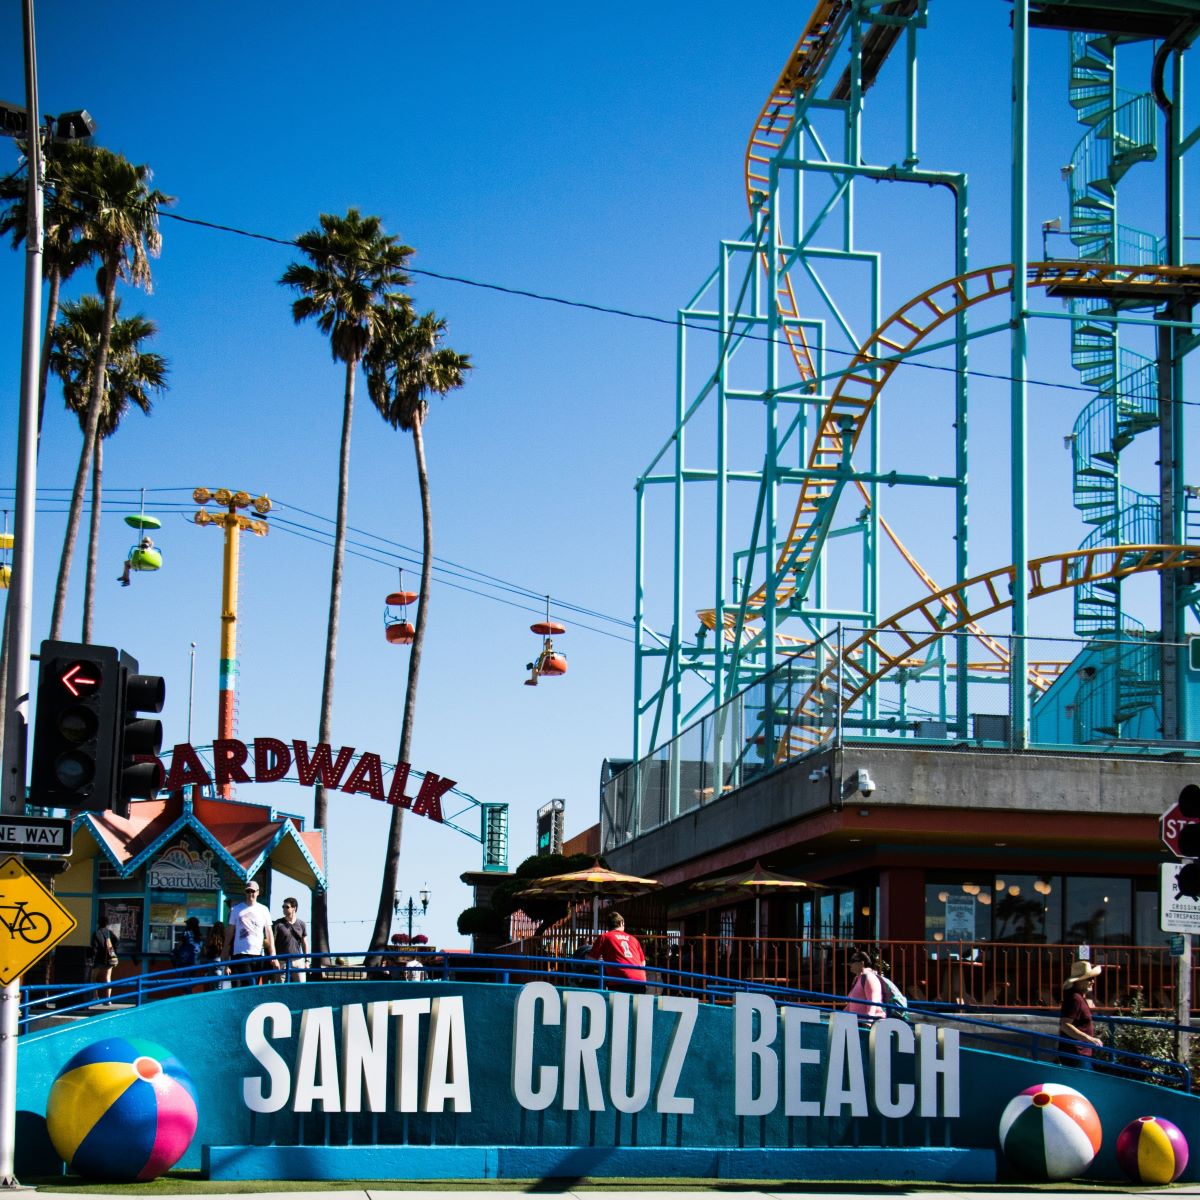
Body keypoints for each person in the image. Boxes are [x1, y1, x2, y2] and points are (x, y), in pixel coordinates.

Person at [222, 881, 278, 986]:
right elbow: (230, 931)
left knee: (254, 985)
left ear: (257, 892)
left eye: (252, 891)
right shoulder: (237, 909)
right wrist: (225, 950)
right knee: (250, 982)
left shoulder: (264, 910)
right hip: (241, 953)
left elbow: (269, 933)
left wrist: (273, 954)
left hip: (258, 953)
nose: (250, 894)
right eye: (248, 891)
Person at [1059, 959, 1104, 1068]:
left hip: (1079, 1053)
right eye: (1089, 978)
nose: (1092, 981)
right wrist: (1090, 1039)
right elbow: (1065, 1025)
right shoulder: (1075, 998)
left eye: (1093, 978)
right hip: (1076, 1054)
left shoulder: (1078, 997)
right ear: (1078, 981)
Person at [587, 911, 647, 993]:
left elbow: (591, 960)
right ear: (621, 923)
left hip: (619, 980)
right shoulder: (634, 939)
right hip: (640, 980)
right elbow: (643, 963)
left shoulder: (604, 937)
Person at [272, 897, 309, 982]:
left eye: (287, 907)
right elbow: (272, 942)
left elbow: (304, 943)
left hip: (298, 960)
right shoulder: (278, 924)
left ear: (294, 908)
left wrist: (307, 960)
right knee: (279, 988)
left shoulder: (301, 924)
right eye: (283, 906)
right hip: (281, 960)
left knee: (301, 987)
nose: (284, 909)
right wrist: (274, 959)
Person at [845, 950, 885, 1022]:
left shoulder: (869, 977)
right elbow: (851, 1003)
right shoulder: (857, 979)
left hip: (867, 1024)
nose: (850, 964)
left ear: (862, 963)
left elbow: (872, 1001)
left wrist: (868, 1020)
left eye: (853, 961)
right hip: (856, 1022)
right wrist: (841, 1015)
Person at [89, 916, 119, 1003]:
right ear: (107, 923)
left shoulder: (97, 933)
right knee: (107, 978)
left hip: (99, 959)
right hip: (110, 958)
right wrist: (114, 951)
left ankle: (95, 996)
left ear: (98, 923)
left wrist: (92, 958)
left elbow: (94, 948)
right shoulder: (109, 932)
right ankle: (108, 999)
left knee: (93, 978)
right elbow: (117, 941)